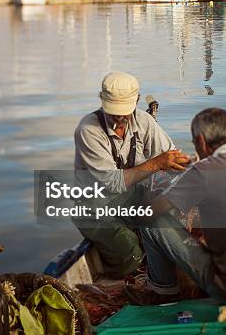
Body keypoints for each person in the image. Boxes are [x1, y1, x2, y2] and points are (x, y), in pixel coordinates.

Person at [125, 108, 226, 304]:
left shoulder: (202, 171)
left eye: (195, 143)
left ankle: (162, 292)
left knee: (151, 221)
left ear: (201, 141)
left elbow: (148, 215)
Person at [74, 72, 190, 277]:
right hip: (94, 207)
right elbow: (112, 183)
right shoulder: (88, 130)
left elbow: (170, 157)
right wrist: (157, 163)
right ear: (102, 101)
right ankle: (121, 277)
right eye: (113, 112)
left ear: (136, 101)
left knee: (168, 224)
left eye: (124, 112)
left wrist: (193, 165)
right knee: (132, 255)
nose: (119, 118)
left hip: (130, 198)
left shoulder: (144, 120)